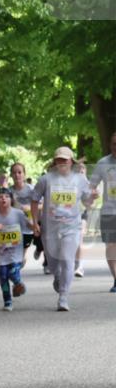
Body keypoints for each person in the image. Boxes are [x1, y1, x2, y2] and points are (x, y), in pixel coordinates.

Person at [30, 146, 96, 311]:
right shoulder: (46, 179)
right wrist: (35, 222)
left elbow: (86, 202)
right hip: (50, 228)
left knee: (67, 259)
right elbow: (34, 199)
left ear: (71, 161)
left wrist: (92, 197)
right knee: (53, 265)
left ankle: (63, 297)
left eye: (64, 159)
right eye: (59, 159)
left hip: (72, 227)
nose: (62, 162)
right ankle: (58, 277)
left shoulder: (80, 180)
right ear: (54, 161)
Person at [0, 188, 30, 311]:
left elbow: (29, 227)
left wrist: (33, 222)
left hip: (16, 252)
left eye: (6, 196)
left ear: (11, 199)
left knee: (13, 272)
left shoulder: (18, 214)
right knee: (3, 276)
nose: (3, 199)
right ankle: (7, 301)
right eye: (0, 197)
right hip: (1, 253)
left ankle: (18, 283)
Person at [88, 132, 116, 292]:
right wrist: (92, 193)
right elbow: (91, 185)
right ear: (110, 145)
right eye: (114, 143)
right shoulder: (103, 163)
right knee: (111, 245)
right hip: (109, 212)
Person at [9, 162, 36, 265]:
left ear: (24, 174)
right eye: (14, 173)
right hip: (14, 226)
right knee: (14, 253)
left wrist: (29, 208)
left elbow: (42, 204)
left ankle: (23, 258)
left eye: (19, 172)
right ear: (11, 175)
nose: (17, 175)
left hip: (28, 226)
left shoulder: (31, 189)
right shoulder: (9, 191)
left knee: (22, 254)